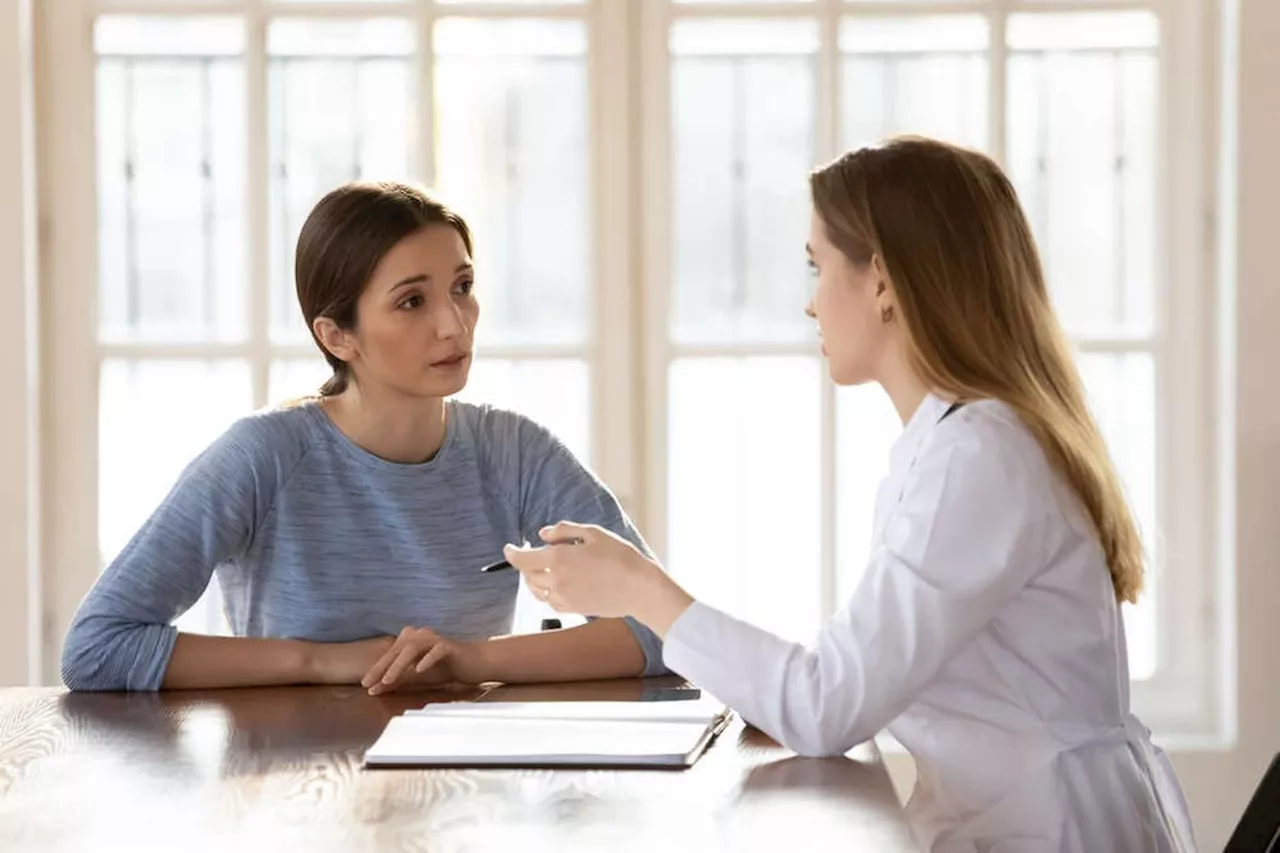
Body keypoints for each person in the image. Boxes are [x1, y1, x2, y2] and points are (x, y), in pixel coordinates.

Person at [496, 138, 1197, 851]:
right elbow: (850, 677)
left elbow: (828, 706)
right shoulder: (962, 439)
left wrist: (639, 587)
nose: (809, 302)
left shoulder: (978, 454)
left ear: (884, 280)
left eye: (817, 264)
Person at [61, 181, 666, 693]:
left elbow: (663, 630)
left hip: (464, 787)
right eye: (411, 301)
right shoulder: (260, 457)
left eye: (462, 286)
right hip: (290, 789)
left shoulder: (515, 452)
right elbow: (98, 647)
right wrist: (329, 661)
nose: (454, 324)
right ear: (337, 336)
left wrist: (468, 659)